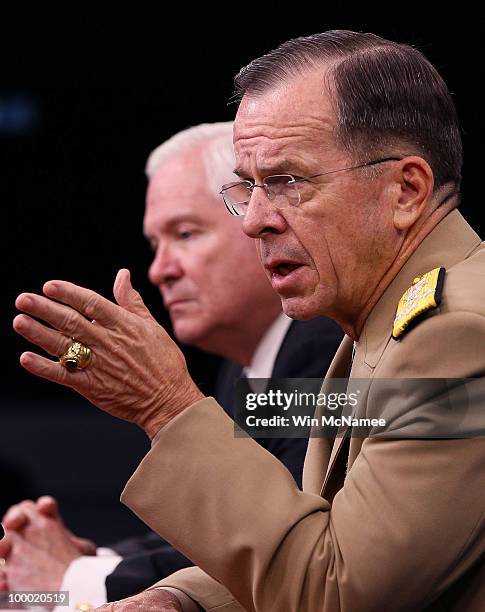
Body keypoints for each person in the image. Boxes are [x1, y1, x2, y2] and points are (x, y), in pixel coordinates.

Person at [8, 29, 485, 611]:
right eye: (249, 187)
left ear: (406, 190)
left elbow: (339, 593)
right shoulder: (379, 320)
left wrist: (166, 406)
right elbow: (331, 537)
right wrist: (180, 600)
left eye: (287, 181)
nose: (254, 220)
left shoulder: (454, 333)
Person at [1, 123, 342, 609]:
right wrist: (91, 558)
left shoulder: (327, 348)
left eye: (184, 234)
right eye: (155, 244)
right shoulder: (247, 364)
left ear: (258, 220)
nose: (161, 269)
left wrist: (74, 575)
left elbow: (286, 552)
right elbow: (216, 538)